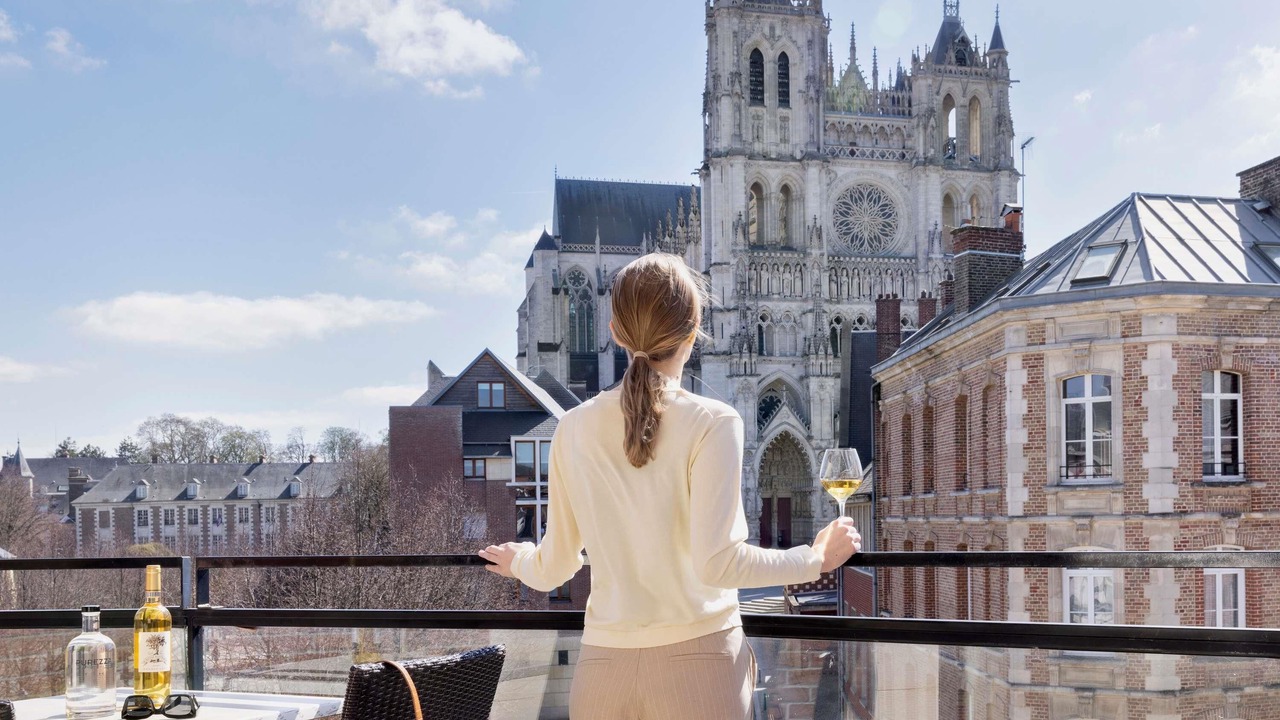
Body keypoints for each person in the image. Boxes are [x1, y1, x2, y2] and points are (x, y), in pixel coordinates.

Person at [479, 253, 861, 719]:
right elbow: (719, 563)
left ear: (616, 332)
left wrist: (517, 560)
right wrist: (815, 559)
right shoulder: (714, 421)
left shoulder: (573, 427)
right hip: (701, 667)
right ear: (694, 329)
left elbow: (554, 567)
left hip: (603, 671)